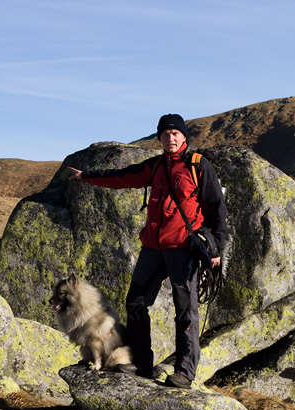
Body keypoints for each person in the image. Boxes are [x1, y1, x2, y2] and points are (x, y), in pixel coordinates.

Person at [67, 114, 228, 389]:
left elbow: (217, 209)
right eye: (165, 134)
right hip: (153, 248)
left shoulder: (198, 166)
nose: (170, 138)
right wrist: (87, 177)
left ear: (184, 136)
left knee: (185, 310)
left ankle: (184, 373)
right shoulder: (155, 166)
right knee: (136, 303)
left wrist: (216, 247)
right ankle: (142, 363)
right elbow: (122, 176)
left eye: (175, 133)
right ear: (160, 138)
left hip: (184, 248)